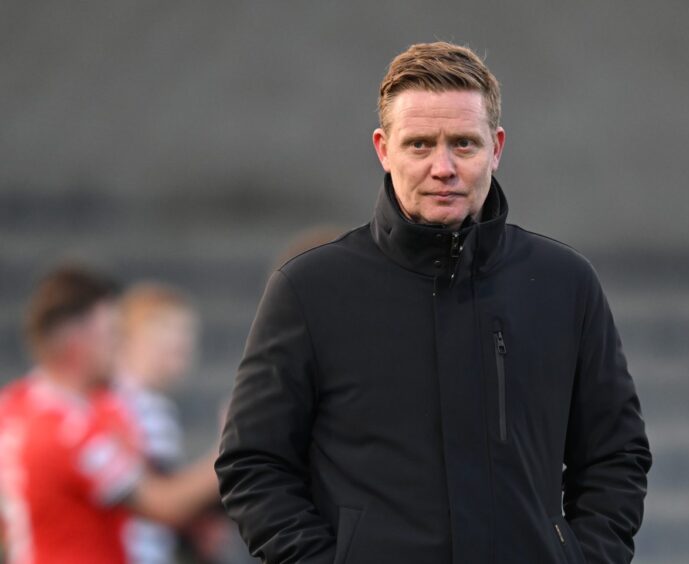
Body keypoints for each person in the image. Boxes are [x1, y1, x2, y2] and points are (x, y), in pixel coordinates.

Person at [216, 42, 651, 564]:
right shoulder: (309, 289)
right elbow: (253, 463)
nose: (442, 167)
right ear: (383, 148)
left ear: (497, 147)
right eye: (419, 144)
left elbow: (616, 455)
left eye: (463, 144)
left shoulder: (565, 284)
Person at [0, 266, 219, 564]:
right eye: (111, 333)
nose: (119, 345)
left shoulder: (13, 405)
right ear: (76, 342)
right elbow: (163, 503)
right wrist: (226, 452)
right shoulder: (68, 433)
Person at [117, 282, 222, 564]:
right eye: (166, 335)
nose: (183, 347)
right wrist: (224, 453)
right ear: (130, 339)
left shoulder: (135, 402)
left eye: (187, 338)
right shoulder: (143, 408)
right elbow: (165, 498)